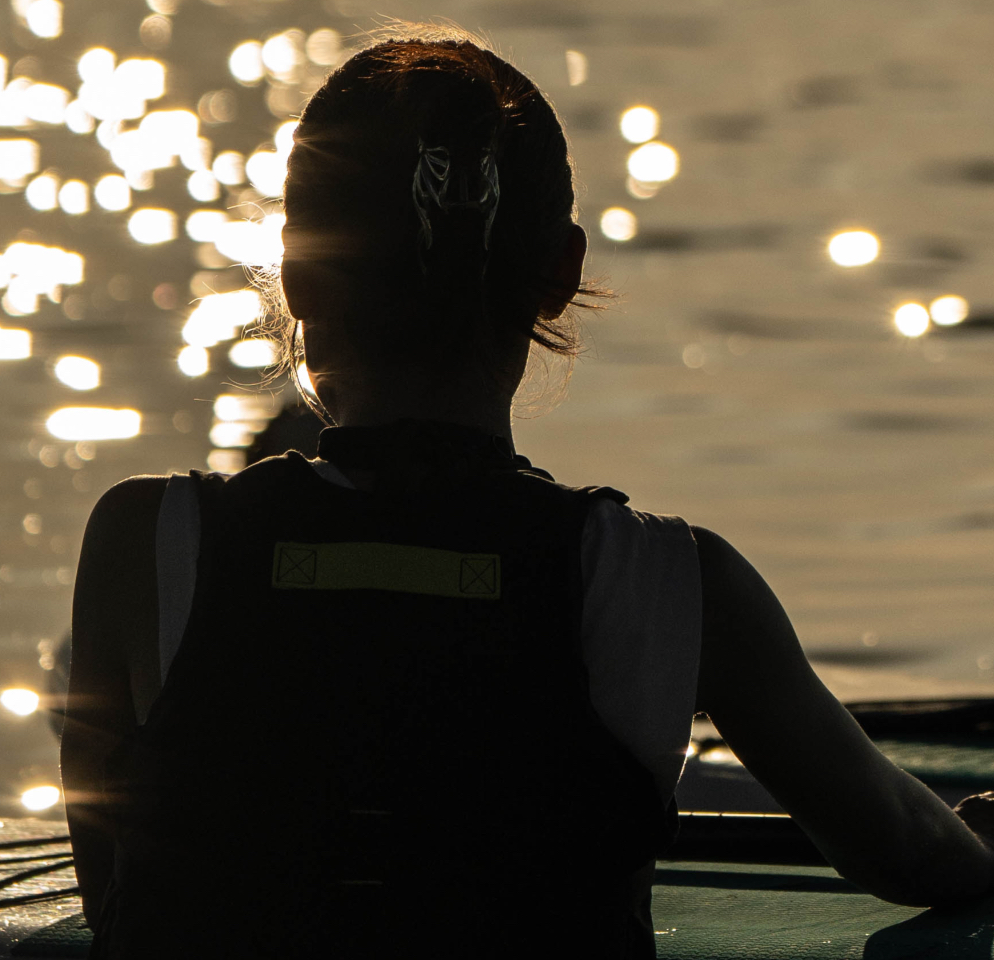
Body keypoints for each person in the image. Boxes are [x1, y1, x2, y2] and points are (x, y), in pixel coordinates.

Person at [62, 26, 994, 959]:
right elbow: (914, 855)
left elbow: (112, 887)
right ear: (562, 272)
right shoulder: (677, 583)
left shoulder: (141, 540)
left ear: (297, 274)